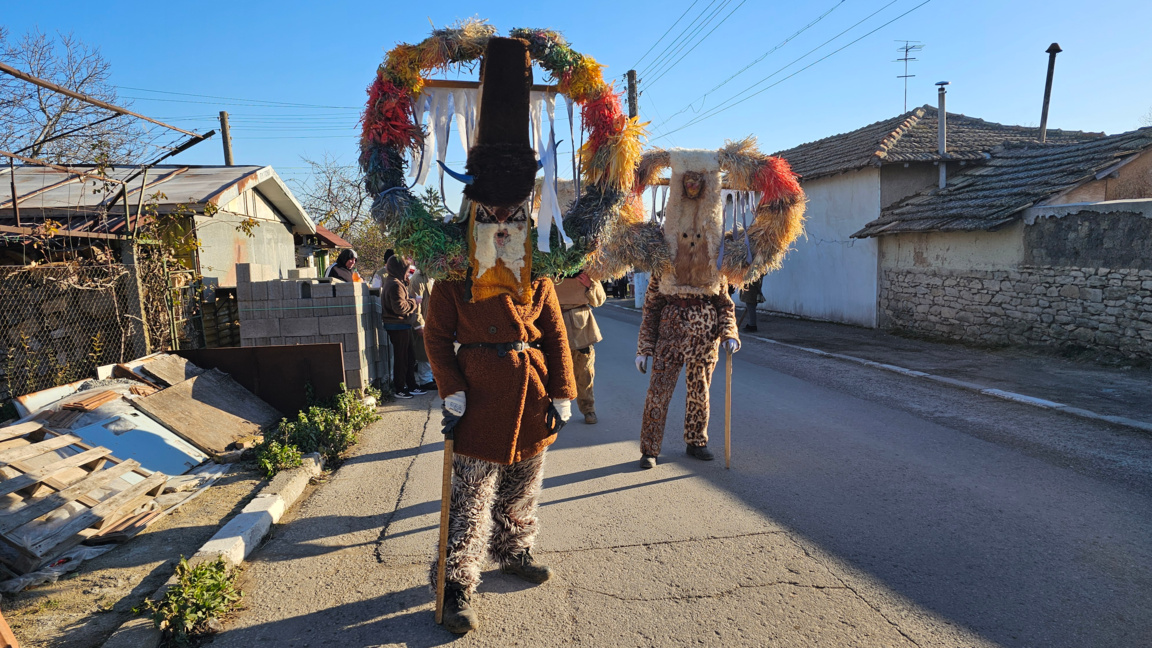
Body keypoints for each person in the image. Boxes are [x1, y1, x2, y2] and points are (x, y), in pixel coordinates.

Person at [422, 37, 575, 635]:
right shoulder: (452, 279)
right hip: (480, 397)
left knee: (524, 480)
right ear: (474, 214)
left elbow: (556, 334)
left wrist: (562, 390)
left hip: (530, 395)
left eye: (515, 216)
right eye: (493, 216)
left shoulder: (534, 272)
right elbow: (436, 341)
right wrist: (451, 390)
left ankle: (513, 550)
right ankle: (456, 582)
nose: (504, 226)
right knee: (468, 496)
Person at [555, 271, 606, 424]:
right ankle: (556, 412)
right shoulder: (548, 269)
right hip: (555, 325)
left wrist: (590, 285)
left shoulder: (586, 271)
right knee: (556, 373)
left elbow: (599, 300)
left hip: (582, 329)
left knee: (585, 373)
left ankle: (588, 410)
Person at [380, 255, 427, 399]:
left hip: (401, 326)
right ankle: (400, 388)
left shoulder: (396, 282)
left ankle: (411, 385)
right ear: (400, 269)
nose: (408, 272)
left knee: (409, 358)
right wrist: (414, 301)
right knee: (402, 359)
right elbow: (399, 307)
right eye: (406, 269)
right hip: (398, 326)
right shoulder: (395, 284)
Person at [408, 264, 436, 391]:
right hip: (423, 321)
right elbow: (416, 304)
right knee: (423, 352)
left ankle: (431, 377)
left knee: (431, 351)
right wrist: (419, 324)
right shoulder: (418, 279)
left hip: (431, 321)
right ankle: (425, 380)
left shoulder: (431, 278)